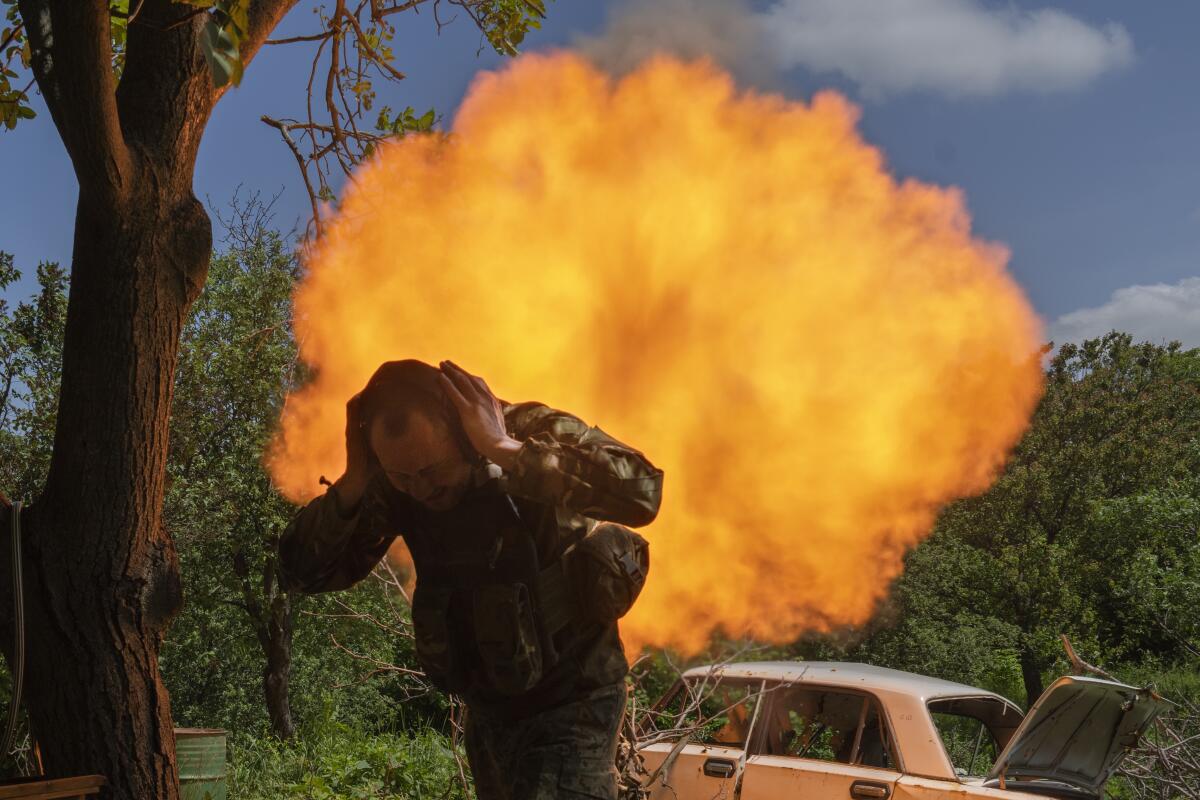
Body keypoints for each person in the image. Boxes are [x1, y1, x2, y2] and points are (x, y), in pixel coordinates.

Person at [278, 359, 664, 800]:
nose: (421, 489)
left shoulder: (521, 431)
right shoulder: (396, 483)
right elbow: (300, 572)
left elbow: (643, 491)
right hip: (491, 711)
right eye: (403, 477)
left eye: (431, 470)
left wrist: (504, 448)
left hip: (573, 700)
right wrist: (353, 483)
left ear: (462, 430)